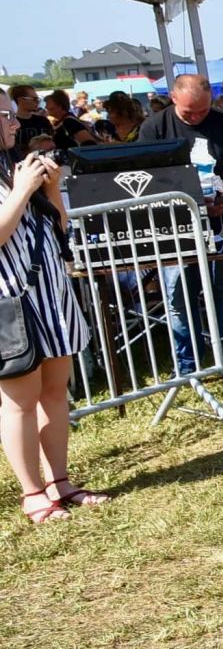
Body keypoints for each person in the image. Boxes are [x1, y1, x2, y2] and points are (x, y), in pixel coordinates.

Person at [0, 118, 101, 524]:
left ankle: (60, 482)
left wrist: (51, 189)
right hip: (10, 301)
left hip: (52, 297)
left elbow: (58, 230)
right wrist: (23, 191)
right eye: (4, 114)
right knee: (18, 403)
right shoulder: (16, 178)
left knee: (56, 392)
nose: (14, 122)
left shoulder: (14, 166)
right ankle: (32, 493)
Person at [136, 74, 223, 385]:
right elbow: (146, 182)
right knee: (179, 297)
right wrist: (195, 203)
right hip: (175, 225)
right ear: (173, 98)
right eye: (189, 112)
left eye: (202, 111)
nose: (196, 117)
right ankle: (188, 371)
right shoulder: (154, 128)